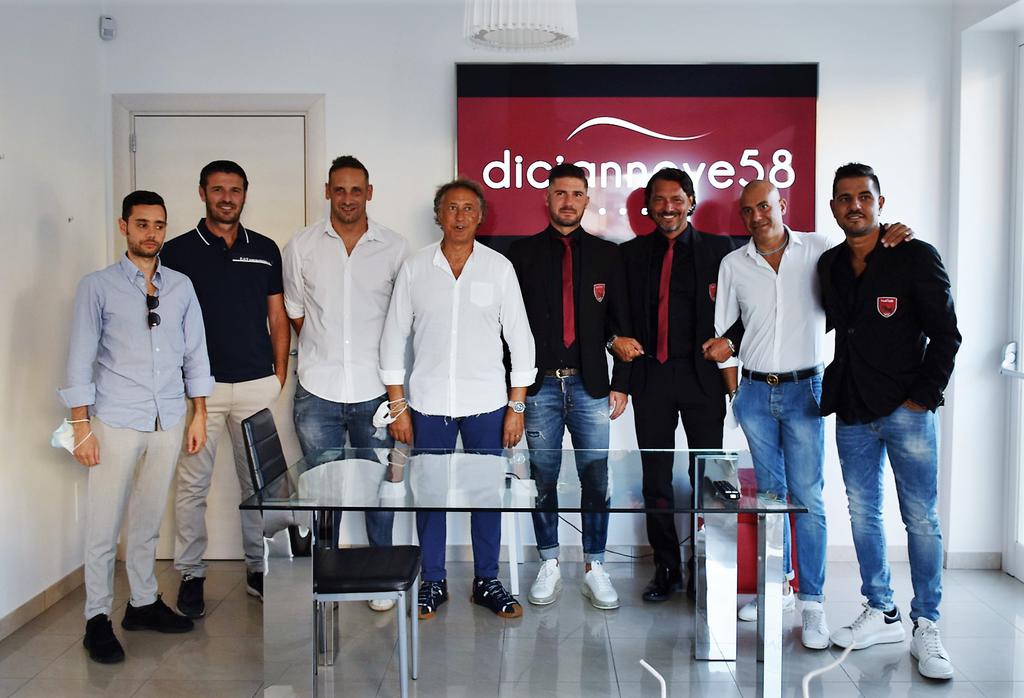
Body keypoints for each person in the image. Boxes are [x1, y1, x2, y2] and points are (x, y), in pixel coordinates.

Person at [59, 191, 213, 664]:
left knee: (148, 518)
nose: (151, 233)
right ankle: (96, 618)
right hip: (116, 419)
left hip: (168, 418)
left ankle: (143, 603)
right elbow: (80, 358)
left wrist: (199, 413)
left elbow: (195, 352)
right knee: (104, 525)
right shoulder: (98, 287)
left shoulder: (181, 286)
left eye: (159, 225)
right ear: (123, 226)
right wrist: (81, 427)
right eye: (142, 224)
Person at [820, 163, 961, 679]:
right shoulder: (831, 264)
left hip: (907, 410)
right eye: (844, 198)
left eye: (864, 196)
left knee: (921, 517)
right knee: (863, 514)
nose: (854, 205)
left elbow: (947, 333)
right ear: (833, 207)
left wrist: (923, 398)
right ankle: (881, 610)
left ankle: (927, 623)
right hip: (853, 409)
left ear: (880, 202)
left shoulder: (915, 255)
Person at [379, 178, 536, 620]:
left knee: (486, 495)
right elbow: (392, 338)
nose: (460, 216)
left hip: (488, 403)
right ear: (438, 215)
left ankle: (486, 580)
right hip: (428, 403)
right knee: (430, 495)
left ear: (480, 216)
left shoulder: (499, 268)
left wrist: (516, 406)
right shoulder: (415, 268)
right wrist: (397, 405)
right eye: (452, 208)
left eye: (468, 208)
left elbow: (520, 341)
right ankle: (433, 580)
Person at [160, 160, 288, 615]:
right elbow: (164, 323)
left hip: (255, 385)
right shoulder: (176, 252)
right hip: (202, 391)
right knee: (193, 486)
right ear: (202, 193)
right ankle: (191, 575)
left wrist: (278, 374)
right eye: (218, 189)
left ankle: (260, 568)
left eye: (235, 190)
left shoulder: (265, 249)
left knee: (262, 486)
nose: (227, 198)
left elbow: (277, 315)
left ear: (245, 194)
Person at [282, 155, 408, 611]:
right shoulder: (301, 246)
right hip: (318, 389)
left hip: (376, 393)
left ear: (369, 193)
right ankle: (326, 577)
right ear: (327, 192)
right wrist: (325, 346)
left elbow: (402, 318)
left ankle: (380, 576)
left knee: (381, 487)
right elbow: (296, 311)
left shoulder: (395, 247)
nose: (348, 198)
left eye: (357, 190)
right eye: (340, 189)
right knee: (321, 490)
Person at [711, 179, 833, 649]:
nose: (757, 216)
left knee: (809, 498)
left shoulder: (819, 249)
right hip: (756, 393)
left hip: (806, 389)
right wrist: (735, 395)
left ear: (781, 204)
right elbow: (723, 335)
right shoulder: (733, 264)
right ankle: (777, 587)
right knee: (770, 496)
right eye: (748, 211)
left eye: (764, 206)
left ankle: (813, 603)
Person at [506, 163, 630, 610]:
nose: (568, 201)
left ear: (586, 200)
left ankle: (595, 565)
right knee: (543, 477)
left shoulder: (607, 255)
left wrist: (621, 383)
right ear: (547, 198)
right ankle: (550, 561)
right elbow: (509, 328)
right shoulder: (521, 255)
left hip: (590, 387)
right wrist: (515, 393)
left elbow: (621, 323)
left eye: (577, 194)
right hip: (539, 387)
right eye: (560, 193)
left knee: (596, 477)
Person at [618, 167, 741, 602]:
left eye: (676, 199)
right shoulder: (630, 255)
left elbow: (749, 309)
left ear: (691, 202)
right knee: (655, 479)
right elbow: (617, 317)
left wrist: (730, 342)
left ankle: (708, 568)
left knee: (708, 476)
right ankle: (667, 567)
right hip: (651, 378)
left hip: (702, 379)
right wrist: (616, 350)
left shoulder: (721, 252)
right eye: (659, 200)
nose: (667, 207)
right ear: (647, 207)